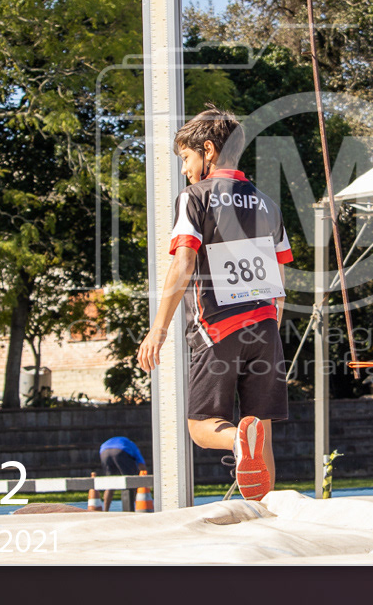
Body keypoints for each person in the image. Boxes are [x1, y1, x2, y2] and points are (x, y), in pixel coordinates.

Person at [137, 106, 292, 501]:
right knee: (261, 430)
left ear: (207, 150)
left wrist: (158, 329)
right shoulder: (268, 205)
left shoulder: (195, 197)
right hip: (266, 328)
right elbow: (279, 279)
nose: (185, 169)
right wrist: (269, 328)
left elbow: (183, 263)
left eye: (186, 158)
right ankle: (265, 514)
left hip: (217, 327)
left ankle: (238, 441)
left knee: (203, 427)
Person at [97, 436, 147, 511]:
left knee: (110, 483)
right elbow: (141, 464)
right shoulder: (132, 445)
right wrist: (144, 479)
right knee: (131, 481)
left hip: (104, 451)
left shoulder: (120, 442)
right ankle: (134, 507)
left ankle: (106, 510)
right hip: (120, 451)